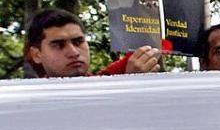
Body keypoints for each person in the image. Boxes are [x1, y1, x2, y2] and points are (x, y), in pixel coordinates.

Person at [25, 8, 160, 77]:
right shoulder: (30, 104)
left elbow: (150, 42)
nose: (73, 52)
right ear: (36, 55)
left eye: (78, 42)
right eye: (59, 45)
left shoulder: (115, 76)